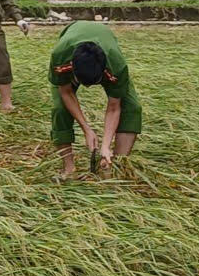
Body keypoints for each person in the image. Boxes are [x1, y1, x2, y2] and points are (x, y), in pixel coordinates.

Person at [48, 22, 141, 178]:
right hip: (72, 38)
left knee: (133, 107)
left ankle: (114, 163)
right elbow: (66, 92)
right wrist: (86, 129)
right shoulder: (60, 56)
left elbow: (114, 107)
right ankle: (69, 168)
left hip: (106, 48)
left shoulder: (116, 65)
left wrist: (105, 145)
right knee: (59, 108)